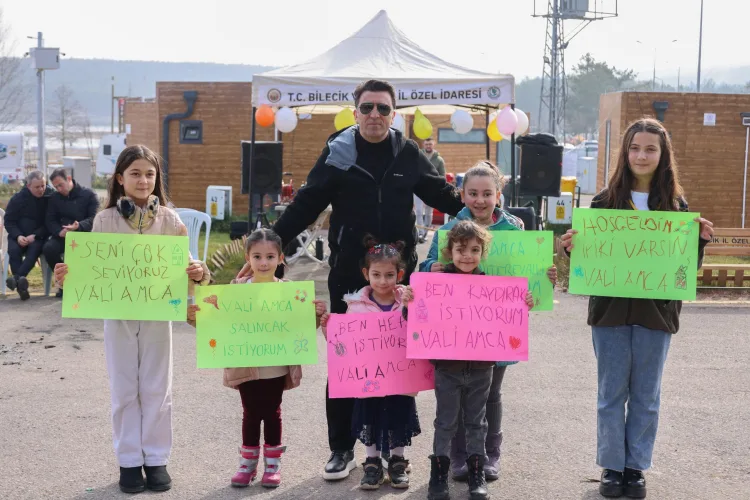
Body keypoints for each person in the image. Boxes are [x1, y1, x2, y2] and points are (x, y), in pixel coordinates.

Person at [254, 78, 463, 481]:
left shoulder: (408, 154)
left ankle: (394, 452)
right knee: (348, 364)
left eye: (383, 109)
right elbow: (307, 202)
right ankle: (342, 448)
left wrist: (485, 210)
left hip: (399, 282)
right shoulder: (337, 154)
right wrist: (272, 245)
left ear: (393, 114)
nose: (374, 116)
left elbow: (444, 196)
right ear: (355, 112)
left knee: (399, 362)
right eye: (367, 108)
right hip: (350, 276)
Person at [560, 118, 714, 499]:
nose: (641, 155)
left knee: (647, 395)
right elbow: (579, 269)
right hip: (609, 315)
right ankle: (612, 467)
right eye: (634, 148)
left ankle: (636, 467)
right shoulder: (602, 204)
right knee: (611, 393)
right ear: (624, 153)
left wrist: (699, 242)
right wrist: (569, 250)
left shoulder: (677, 207)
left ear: (663, 156)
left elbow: (682, 270)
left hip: (656, 316)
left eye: (650, 149)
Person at [54, 145, 210, 494]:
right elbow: (93, 270)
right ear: (120, 179)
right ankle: (128, 461)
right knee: (124, 388)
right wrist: (70, 275)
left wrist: (199, 271)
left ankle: (156, 459)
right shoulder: (105, 220)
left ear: (157, 180)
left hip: (157, 317)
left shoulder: (170, 220)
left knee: (157, 387)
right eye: (136, 173)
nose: (143, 180)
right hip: (119, 316)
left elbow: (185, 266)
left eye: (150, 174)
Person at [419, 161, 557, 483]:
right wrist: (431, 269)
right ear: (462, 194)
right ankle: (457, 456)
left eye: (486, 193)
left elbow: (528, 276)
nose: (479, 200)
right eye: (472, 194)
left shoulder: (515, 230)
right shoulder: (446, 231)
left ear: (498, 193)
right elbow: (426, 266)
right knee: (458, 398)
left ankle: (488, 454)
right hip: (456, 330)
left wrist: (544, 278)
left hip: (500, 329)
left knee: (491, 394)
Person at [188, 228, 325, 489]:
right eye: (258, 256)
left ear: (281, 258)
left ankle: (272, 465)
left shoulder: (290, 293)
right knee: (250, 413)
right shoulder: (236, 291)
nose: (264, 263)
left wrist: (315, 315)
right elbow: (218, 324)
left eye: (270, 257)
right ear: (247, 258)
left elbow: (300, 329)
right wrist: (198, 315)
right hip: (245, 366)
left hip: (276, 366)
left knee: (272, 413)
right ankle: (247, 465)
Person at [427, 220, 535, 500]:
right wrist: (410, 304)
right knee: (446, 422)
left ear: (483, 253)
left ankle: (477, 471)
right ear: (449, 252)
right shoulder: (434, 285)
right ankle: (438, 475)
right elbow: (416, 323)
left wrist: (522, 305)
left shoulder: (492, 287)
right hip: (447, 368)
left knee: (478, 421)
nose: (467, 255)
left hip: (481, 367)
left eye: (475, 250)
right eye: (461, 249)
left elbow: (507, 322)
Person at [319, 236, 418, 491]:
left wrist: (410, 306)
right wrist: (328, 329)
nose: (383, 281)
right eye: (376, 274)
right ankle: (372, 462)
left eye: (389, 275)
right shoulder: (355, 306)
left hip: (399, 378)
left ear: (400, 273)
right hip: (368, 380)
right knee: (369, 418)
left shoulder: (405, 302)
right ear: (366, 274)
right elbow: (344, 345)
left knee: (398, 417)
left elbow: (419, 332)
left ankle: (397, 461)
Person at [44, 168, 99, 298]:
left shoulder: (89, 195)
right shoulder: (54, 198)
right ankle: (65, 282)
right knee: (48, 248)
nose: (58, 189)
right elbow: (49, 219)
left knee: (78, 252)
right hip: (63, 235)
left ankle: (80, 284)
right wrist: (59, 231)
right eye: (55, 186)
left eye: (60, 185)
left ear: (69, 179)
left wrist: (78, 226)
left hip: (83, 234)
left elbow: (94, 218)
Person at [4, 170, 54, 300]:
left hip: (38, 236)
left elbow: (51, 222)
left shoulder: (51, 197)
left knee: (34, 251)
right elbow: (9, 221)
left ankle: (16, 280)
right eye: (37, 187)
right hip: (18, 235)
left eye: (43, 185)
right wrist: (18, 236)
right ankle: (21, 286)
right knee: (14, 251)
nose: (41, 189)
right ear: (28, 186)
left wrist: (35, 235)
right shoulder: (17, 199)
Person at [414, 137, 446, 243]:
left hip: (431, 189)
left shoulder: (439, 160)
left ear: (434, 145)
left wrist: (439, 187)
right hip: (417, 188)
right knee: (418, 211)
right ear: (424, 145)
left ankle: (425, 233)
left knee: (428, 212)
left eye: (430, 144)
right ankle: (420, 233)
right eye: (426, 144)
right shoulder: (418, 156)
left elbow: (442, 176)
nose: (428, 146)